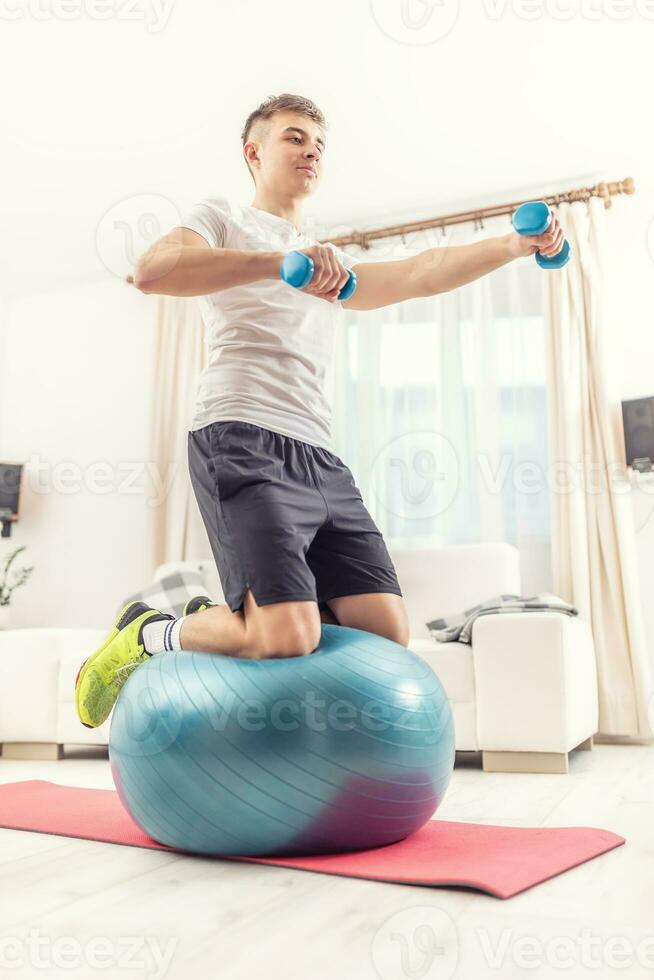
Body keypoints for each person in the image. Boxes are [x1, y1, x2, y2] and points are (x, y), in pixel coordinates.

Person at [75, 93, 566, 729]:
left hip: (319, 454)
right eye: (294, 137)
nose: (311, 150)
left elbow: (420, 271)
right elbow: (153, 270)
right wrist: (278, 265)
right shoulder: (224, 217)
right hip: (239, 431)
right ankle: (149, 634)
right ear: (254, 152)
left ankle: (237, 619)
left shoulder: (326, 263)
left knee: (385, 629)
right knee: (285, 635)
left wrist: (511, 245)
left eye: (319, 144)